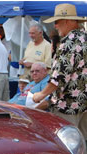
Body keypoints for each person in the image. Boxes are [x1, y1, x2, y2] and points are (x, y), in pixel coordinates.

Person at [33, 3, 87, 141]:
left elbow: (59, 77)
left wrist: (40, 95)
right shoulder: (84, 39)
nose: (55, 26)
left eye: (57, 22)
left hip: (66, 107)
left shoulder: (68, 42)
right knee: (82, 149)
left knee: (65, 147)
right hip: (83, 105)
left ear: (68, 21)